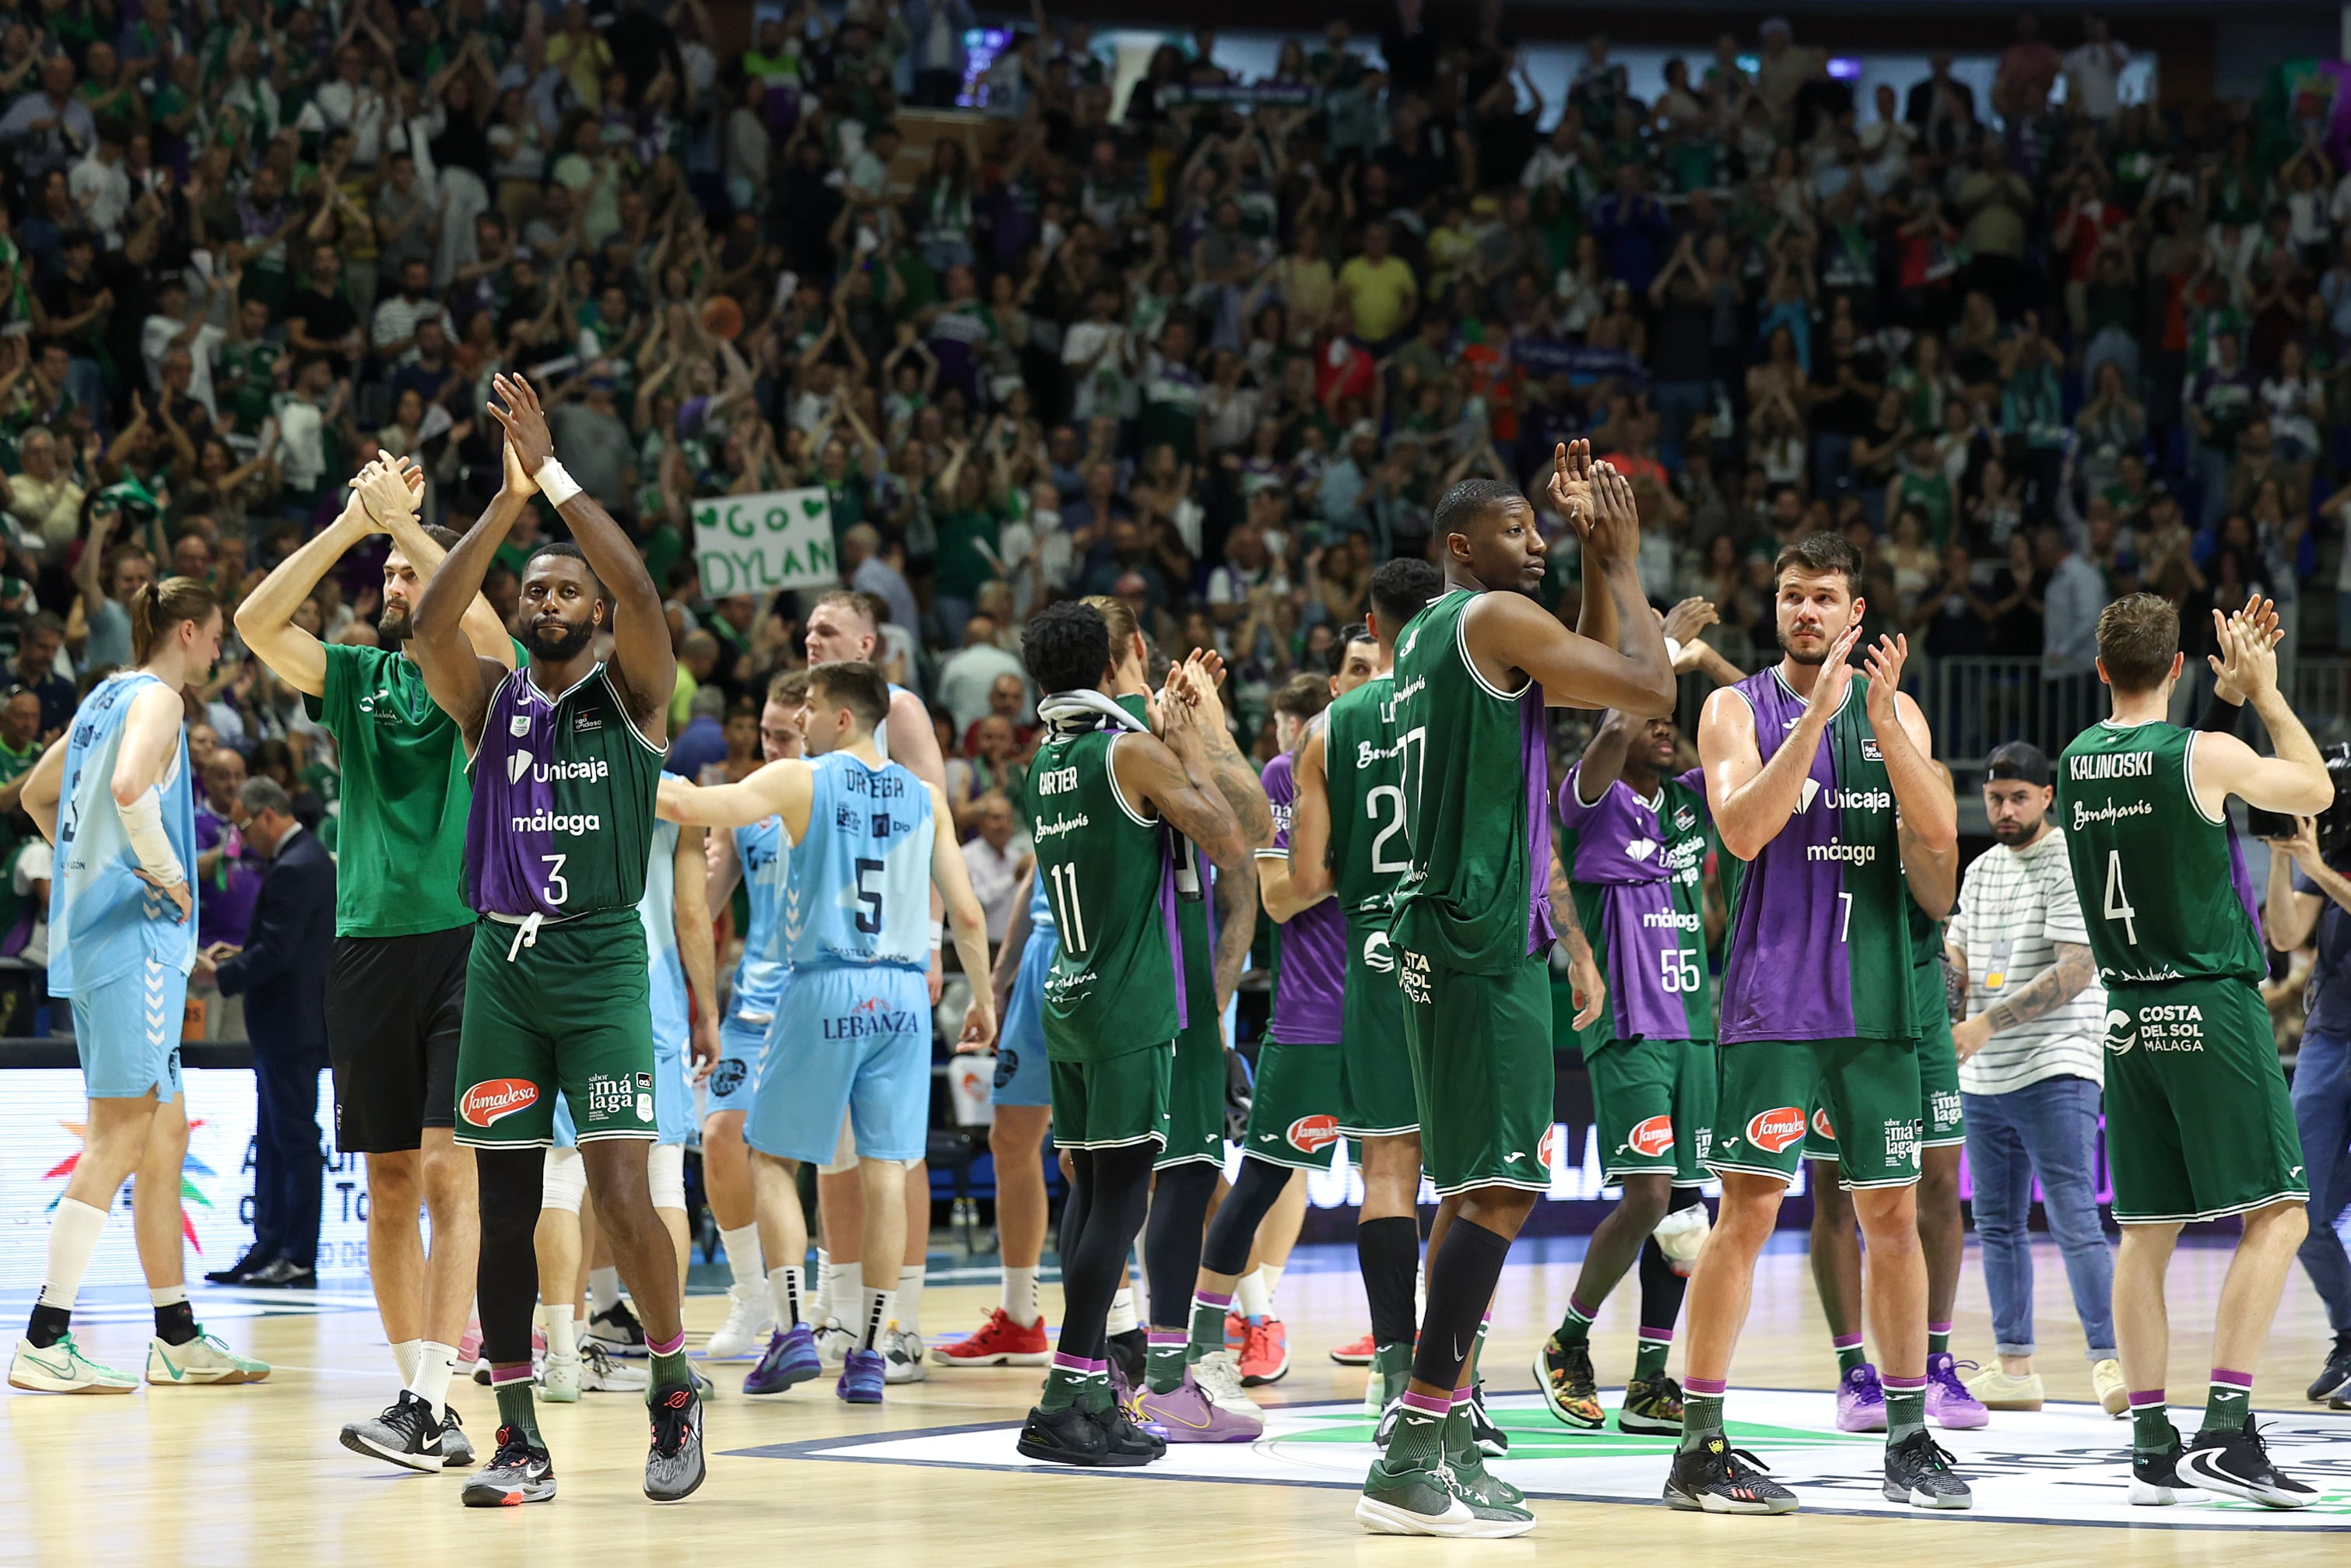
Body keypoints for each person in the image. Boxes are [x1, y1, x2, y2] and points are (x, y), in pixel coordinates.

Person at [1360, 445, 1674, 1538]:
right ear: (1461, 547)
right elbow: (1643, 686)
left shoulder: (1426, 635)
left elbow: (1581, 660)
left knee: (1466, 1187)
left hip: (1437, 924)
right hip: (1481, 936)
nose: (1533, 540)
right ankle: (1413, 1440)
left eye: (1539, 530)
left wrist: (1588, 551)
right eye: (1515, 527)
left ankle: (1440, 1431)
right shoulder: (1487, 618)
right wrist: (1622, 558)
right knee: (1499, 1190)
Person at [406, 373, 698, 1507]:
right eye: (536, 587)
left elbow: (637, 581)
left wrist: (559, 477)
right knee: (506, 1203)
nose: (550, 596)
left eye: (566, 587)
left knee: (624, 1190)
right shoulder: (489, 701)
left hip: (600, 961)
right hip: (502, 967)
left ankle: (672, 1390)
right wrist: (504, 497)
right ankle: (518, 1434)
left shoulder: (636, 692)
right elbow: (433, 619)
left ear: (594, 612)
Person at [1678, 528, 1965, 1514]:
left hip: (1879, 1003)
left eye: (1826, 597)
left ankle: (1909, 1431)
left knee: (1892, 1218)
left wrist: (1879, 721)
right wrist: (1817, 721)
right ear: (1778, 609)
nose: (1808, 611)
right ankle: (1701, 1442)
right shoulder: (1731, 707)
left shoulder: (1901, 713)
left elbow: (1939, 841)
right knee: (1747, 1213)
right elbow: (1744, 830)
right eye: (1793, 595)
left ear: (1856, 613)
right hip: (1773, 1005)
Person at [237, 453, 509, 1472]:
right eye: (390, 580)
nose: (403, 584)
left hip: (463, 939)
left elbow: (480, 625)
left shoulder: (474, 680)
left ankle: (434, 1391)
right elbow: (259, 623)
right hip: (365, 947)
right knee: (391, 1180)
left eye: (413, 574)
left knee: (450, 1167)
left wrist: (415, 534)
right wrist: (358, 523)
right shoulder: (354, 676)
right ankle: (417, 1399)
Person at [654, 660, 995, 1406]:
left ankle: (788, 1333)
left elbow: (690, 802)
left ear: (842, 718)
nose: (798, 721)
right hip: (904, 994)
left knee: (771, 1157)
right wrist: (984, 999)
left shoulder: (801, 780)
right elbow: (967, 913)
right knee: (886, 1170)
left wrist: (612, 765)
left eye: (808, 708)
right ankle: (870, 1352)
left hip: (826, 981)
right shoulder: (926, 796)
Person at [2056, 591, 2330, 1510]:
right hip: (2208, 1002)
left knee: (2145, 1232)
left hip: (2127, 1016)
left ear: (2101, 670)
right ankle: (2225, 1426)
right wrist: (2264, 690)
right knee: (2283, 1210)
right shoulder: (2203, 754)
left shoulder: (2075, 760)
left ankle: (2149, 1438)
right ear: (2177, 669)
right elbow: (2315, 788)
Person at [1013, 599, 1265, 1468]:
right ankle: (1064, 1391)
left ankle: (1085, 1394)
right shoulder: (1126, 749)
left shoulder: (1044, 756)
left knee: (1088, 1195)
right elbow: (1232, 838)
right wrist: (1193, 737)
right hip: (1128, 999)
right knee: (1119, 1198)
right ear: (1119, 655)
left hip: (1070, 990)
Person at [9, 575, 272, 1393]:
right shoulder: (159, 697)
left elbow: (34, 794)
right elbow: (128, 790)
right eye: (218, 634)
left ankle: (176, 1334)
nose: (222, 647)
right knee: (121, 1138)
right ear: (187, 631)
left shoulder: (99, 697)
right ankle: (46, 1338)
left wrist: (90, 865)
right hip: (134, 945)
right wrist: (164, 875)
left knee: (166, 1137)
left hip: (93, 940)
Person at [1140, 672, 1337, 1441]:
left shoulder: (1407, 759)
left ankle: (1405, 1363)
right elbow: (1272, 887)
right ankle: (1189, 1350)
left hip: (1391, 998)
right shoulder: (1273, 778)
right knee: (1245, 1173)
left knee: (1403, 1177)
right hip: (1297, 1009)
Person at [1537, 700, 1725, 1437]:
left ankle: (1649, 1381)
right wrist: (1652, 663)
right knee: (1647, 1197)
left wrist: (1704, 670)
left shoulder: (1685, 803)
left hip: (1692, 1028)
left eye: (1667, 717)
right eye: (1650, 718)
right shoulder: (1588, 801)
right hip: (1629, 1027)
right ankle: (1567, 1343)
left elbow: (1766, 734)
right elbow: (1611, 732)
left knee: (1685, 1215)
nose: (1663, 725)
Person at [1799, 750, 1984, 1438]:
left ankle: (1935, 1359)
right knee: (1834, 1193)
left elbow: (1939, 894)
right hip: (1838, 993)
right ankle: (1853, 1369)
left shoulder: (1928, 774)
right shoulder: (1823, 767)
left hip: (1920, 1000)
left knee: (1939, 1186)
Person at [1290, 567, 1443, 1395]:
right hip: (1455, 947)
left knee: (1387, 1169)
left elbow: (1309, 872)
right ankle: (1454, 1368)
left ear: (1373, 630)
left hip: (1376, 945)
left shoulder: (1329, 726)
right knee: (1468, 1175)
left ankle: (1393, 1362)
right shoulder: (1464, 695)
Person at [1942, 741, 2121, 1416]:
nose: (2005, 809)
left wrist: (1984, 1024)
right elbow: (1956, 954)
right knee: (1995, 1222)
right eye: (1995, 798)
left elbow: (2077, 970)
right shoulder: (1982, 867)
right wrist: (1947, 1007)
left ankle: (2110, 1360)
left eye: (2019, 797)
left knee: (2073, 1213)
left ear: (2047, 796)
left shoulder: (2069, 858)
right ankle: (2014, 1366)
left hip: (2056, 1059)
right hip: (1985, 1071)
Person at [536, 770, 720, 1401]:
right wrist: (707, 1010)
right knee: (663, 1175)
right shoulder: (669, 788)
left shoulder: (534, 764)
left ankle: (561, 1354)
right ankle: (673, 1354)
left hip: (555, 980)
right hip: (648, 988)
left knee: (561, 1175)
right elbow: (691, 913)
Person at [703, 671, 805, 1369]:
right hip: (753, 1000)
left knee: (822, 1159)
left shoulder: (838, 795)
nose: (769, 747)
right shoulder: (743, 805)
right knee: (718, 1134)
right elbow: (705, 897)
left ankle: (832, 1305)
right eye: (764, 734)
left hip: (820, 997)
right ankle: (752, 1295)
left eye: (784, 735)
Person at [205, 776, 335, 1287]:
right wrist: (239, 958)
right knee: (279, 1140)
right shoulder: (307, 859)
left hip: (292, 1027)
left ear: (266, 815)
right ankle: (269, 1248)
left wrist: (219, 974)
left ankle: (295, 1254)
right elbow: (290, 947)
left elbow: (279, 953)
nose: (240, 838)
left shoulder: (296, 865)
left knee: (295, 1140)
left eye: (241, 825)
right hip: (290, 1025)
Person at [2261, 799, 2351, 1405]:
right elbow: (2287, 934)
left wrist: (2313, 865)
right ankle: (2348, 1335)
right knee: (2300, 1202)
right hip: (2328, 1035)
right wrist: (2279, 856)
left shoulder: (2327, 862)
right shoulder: (2334, 850)